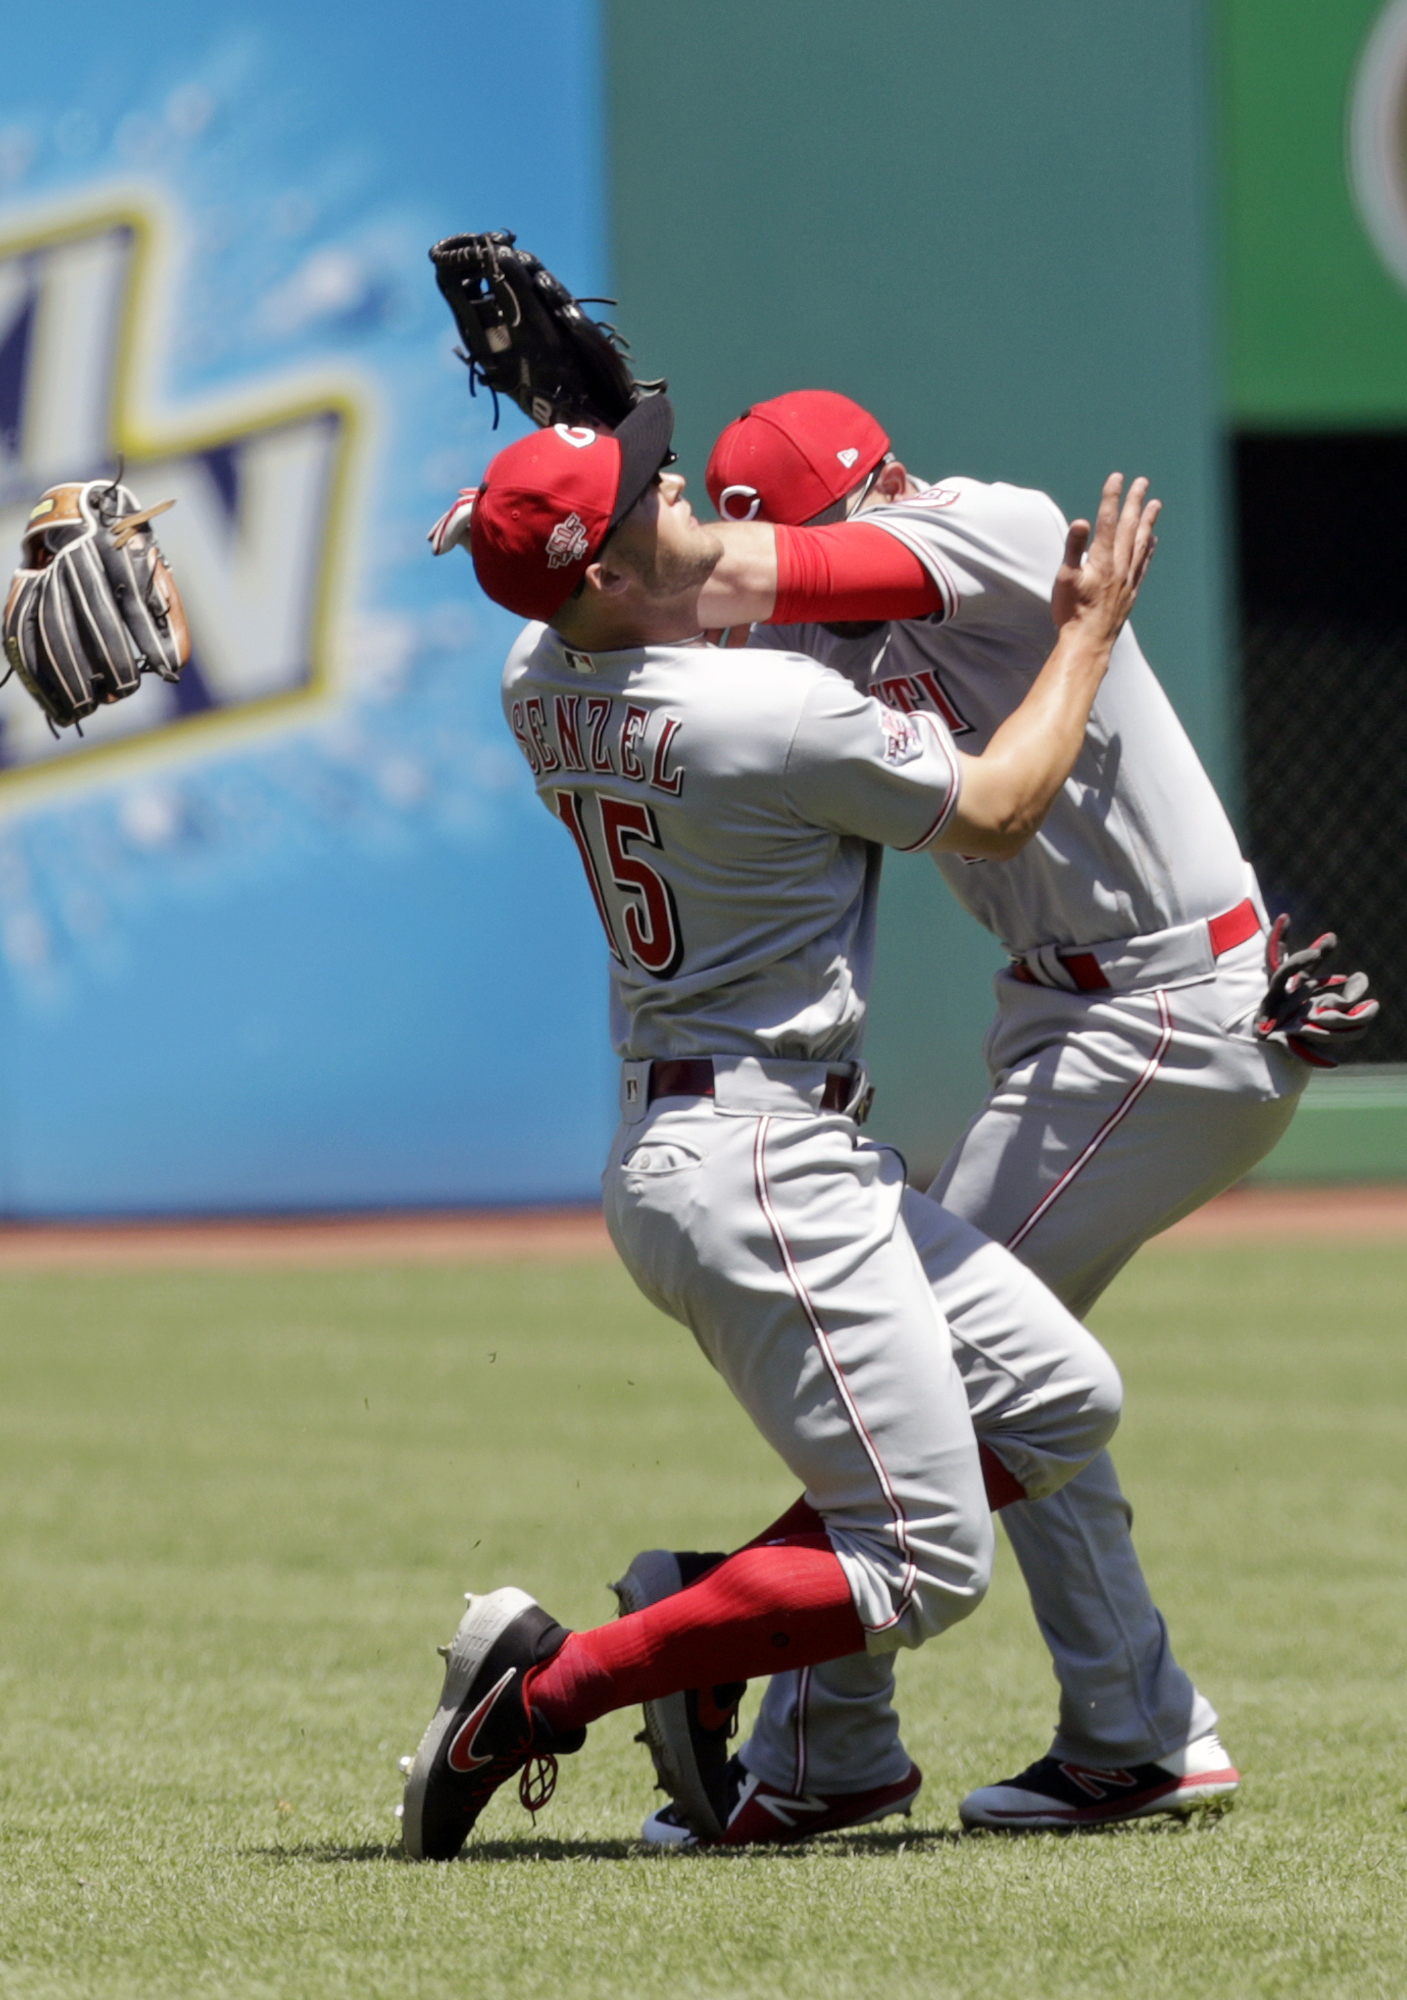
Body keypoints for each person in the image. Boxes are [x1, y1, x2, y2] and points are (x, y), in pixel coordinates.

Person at [399, 394, 1158, 1861]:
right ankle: (544, 1695)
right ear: (610, 578)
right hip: (763, 1167)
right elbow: (999, 805)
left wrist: (533, 505)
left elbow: (577, 583)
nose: (675, 482)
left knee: (1064, 1401)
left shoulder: (529, 670)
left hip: (735, 1144)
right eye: (643, 495)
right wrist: (1087, 634)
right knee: (931, 1563)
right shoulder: (759, 711)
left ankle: (692, 1603)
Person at [616, 389, 1374, 1842]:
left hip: (1159, 1014)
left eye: (802, 535)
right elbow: (664, 621)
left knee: (924, 1345)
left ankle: (826, 1748)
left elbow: (752, 578)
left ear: (873, 488)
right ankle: (1134, 1732)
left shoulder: (994, 527)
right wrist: (569, 493)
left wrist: (662, 500)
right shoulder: (817, 627)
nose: (783, 571)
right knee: (1003, 1373)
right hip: (1082, 1011)